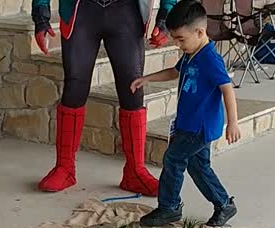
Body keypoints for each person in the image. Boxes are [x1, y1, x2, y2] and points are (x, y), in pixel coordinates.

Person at [31, 0, 178, 197]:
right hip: (81, 10)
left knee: (133, 88)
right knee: (75, 86)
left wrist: (166, 17)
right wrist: (41, 16)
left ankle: (135, 171)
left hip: (125, 11)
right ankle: (64, 168)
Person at [130, 0, 241, 227]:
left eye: (181, 39)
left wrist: (233, 123)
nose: (179, 44)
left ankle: (169, 207)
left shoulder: (210, 59)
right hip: (187, 123)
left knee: (173, 159)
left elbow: (227, 88)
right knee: (198, 166)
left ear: (200, 32)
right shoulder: (192, 54)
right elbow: (174, 71)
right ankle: (224, 204)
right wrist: (147, 78)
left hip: (199, 127)